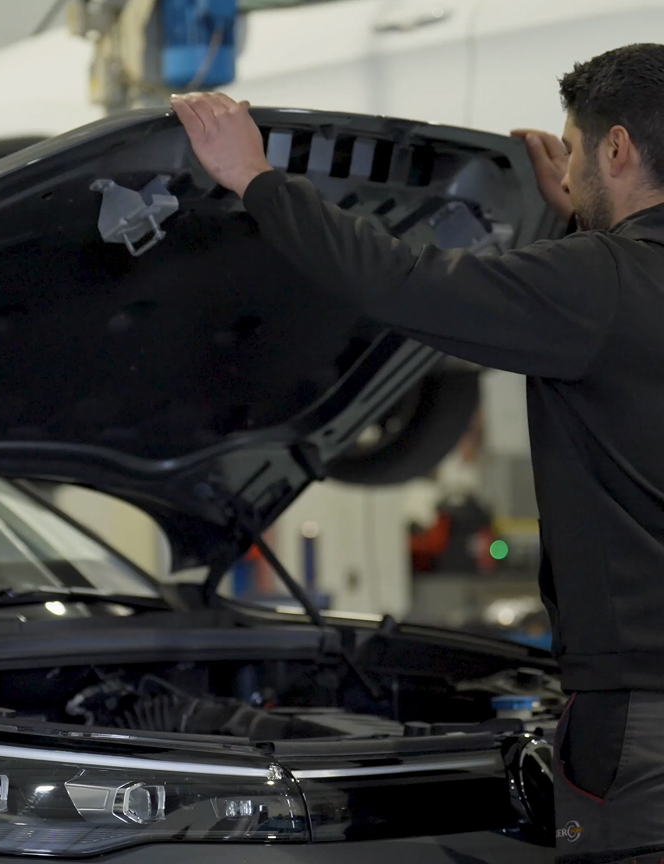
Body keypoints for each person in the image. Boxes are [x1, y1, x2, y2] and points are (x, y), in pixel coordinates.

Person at [171, 43, 664, 861]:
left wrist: (256, 179)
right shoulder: (608, 285)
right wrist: (577, 217)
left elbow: (402, 281)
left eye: (575, 153)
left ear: (616, 148)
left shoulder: (598, 284)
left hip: (644, 715)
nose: (569, 172)